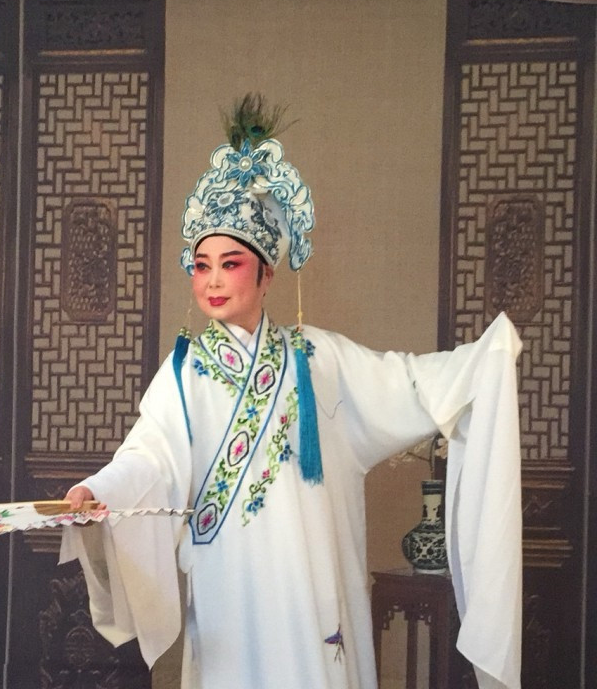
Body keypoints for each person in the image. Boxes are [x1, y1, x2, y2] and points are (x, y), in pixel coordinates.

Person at [60, 96, 523, 689]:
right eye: (201, 265)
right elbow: (148, 460)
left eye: (231, 263)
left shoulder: (319, 359)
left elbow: (406, 382)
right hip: (230, 590)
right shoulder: (185, 373)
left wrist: (481, 363)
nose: (213, 280)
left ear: (266, 274)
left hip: (311, 589)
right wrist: (98, 491)